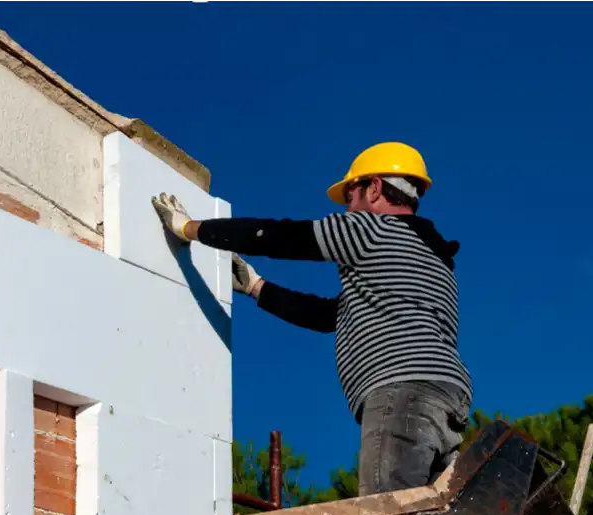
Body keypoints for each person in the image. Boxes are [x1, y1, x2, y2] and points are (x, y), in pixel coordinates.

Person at [152, 141, 473, 497]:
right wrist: (257, 286)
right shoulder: (435, 259)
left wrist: (190, 228)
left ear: (375, 188)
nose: (348, 210)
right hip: (447, 402)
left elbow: (283, 237)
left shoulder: (371, 230)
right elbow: (331, 315)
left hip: (402, 394)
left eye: (351, 197)